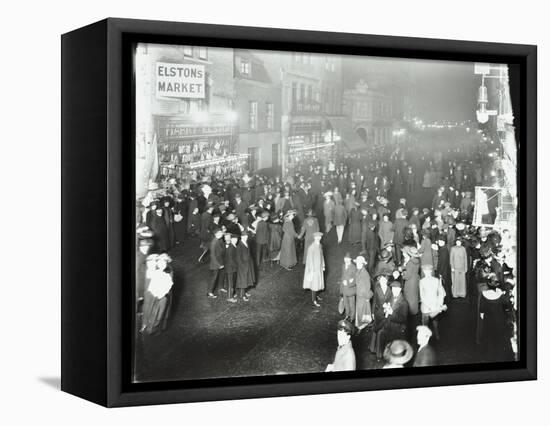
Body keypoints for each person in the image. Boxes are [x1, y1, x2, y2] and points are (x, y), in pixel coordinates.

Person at [142, 254, 174, 335]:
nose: (161, 264)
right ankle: (152, 328)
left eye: (163, 263)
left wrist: (160, 293)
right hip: (156, 295)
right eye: (159, 262)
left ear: (167, 263)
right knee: (155, 312)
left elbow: (167, 286)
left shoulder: (169, 271)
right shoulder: (157, 271)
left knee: (161, 313)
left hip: (164, 296)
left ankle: (159, 328)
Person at [419, 264, 447, 340]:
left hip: (425, 307)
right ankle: (437, 335)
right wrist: (439, 305)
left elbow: (422, 296)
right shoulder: (436, 280)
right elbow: (442, 293)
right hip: (435, 305)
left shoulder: (421, 281)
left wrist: (429, 306)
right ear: (431, 271)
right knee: (435, 321)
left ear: (424, 271)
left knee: (425, 324)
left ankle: (425, 339)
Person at [303, 232, 325, 307]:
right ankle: (314, 300)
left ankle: (316, 296)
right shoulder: (311, 247)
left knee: (318, 282)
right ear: (314, 238)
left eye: (320, 237)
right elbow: (309, 260)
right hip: (314, 269)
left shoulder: (320, 246)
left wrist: (323, 265)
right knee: (314, 284)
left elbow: (322, 256)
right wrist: (312, 270)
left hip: (319, 267)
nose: (318, 238)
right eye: (317, 237)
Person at [354, 255, 373, 330]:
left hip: (363, 296)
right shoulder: (358, 271)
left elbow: (368, 286)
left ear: (362, 264)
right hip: (359, 295)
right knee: (360, 309)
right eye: (357, 263)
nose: (357, 265)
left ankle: (362, 324)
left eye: (359, 263)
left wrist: (367, 297)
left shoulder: (365, 274)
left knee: (362, 310)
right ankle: (360, 323)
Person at [402, 245, 421, 316]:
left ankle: (410, 312)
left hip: (410, 282)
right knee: (415, 296)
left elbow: (408, 276)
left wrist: (403, 274)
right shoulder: (417, 261)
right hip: (416, 279)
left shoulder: (410, 263)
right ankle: (415, 310)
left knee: (409, 296)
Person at [236, 232, 255, 301]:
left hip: (248, 264)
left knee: (246, 279)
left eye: (246, 236)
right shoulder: (239, 245)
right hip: (242, 266)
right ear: (241, 237)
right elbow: (238, 258)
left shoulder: (246, 243)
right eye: (244, 236)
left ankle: (245, 292)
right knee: (242, 281)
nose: (246, 237)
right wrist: (242, 266)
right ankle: (242, 295)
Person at [207, 228, 225, 298]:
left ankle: (220, 287)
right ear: (216, 234)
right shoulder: (214, 242)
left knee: (221, 275)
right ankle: (209, 293)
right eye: (220, 233)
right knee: (214, 278)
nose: (221, 234)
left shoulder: (219, 240)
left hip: (220, 261)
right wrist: (218, 265)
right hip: (215, 264)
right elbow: (212, 256)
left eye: (221, 232)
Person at [340, 252, 357, 320]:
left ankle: (352, 318)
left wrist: (350, 282)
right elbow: (342, 276)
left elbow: (356, 279)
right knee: (346, 303)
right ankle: (347, 315)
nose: (346, 260)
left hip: (351, 290)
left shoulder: (353, 267)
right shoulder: (343, 266)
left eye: (348, 259)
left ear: (350, 259)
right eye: (345, 258)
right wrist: (341, 288)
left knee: (352, 304)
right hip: (344, 289)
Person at [224, 234, 239, 303]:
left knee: (232, 282)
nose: (236, 240)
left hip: (231, 268)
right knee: (230, 284)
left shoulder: (233, 246)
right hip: (230, 268)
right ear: (231, 240)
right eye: (234, 239)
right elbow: (231, 260)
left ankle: (232, 294)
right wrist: (237, 265)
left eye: (236, 239)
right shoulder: (231, 248)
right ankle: (229, 297)